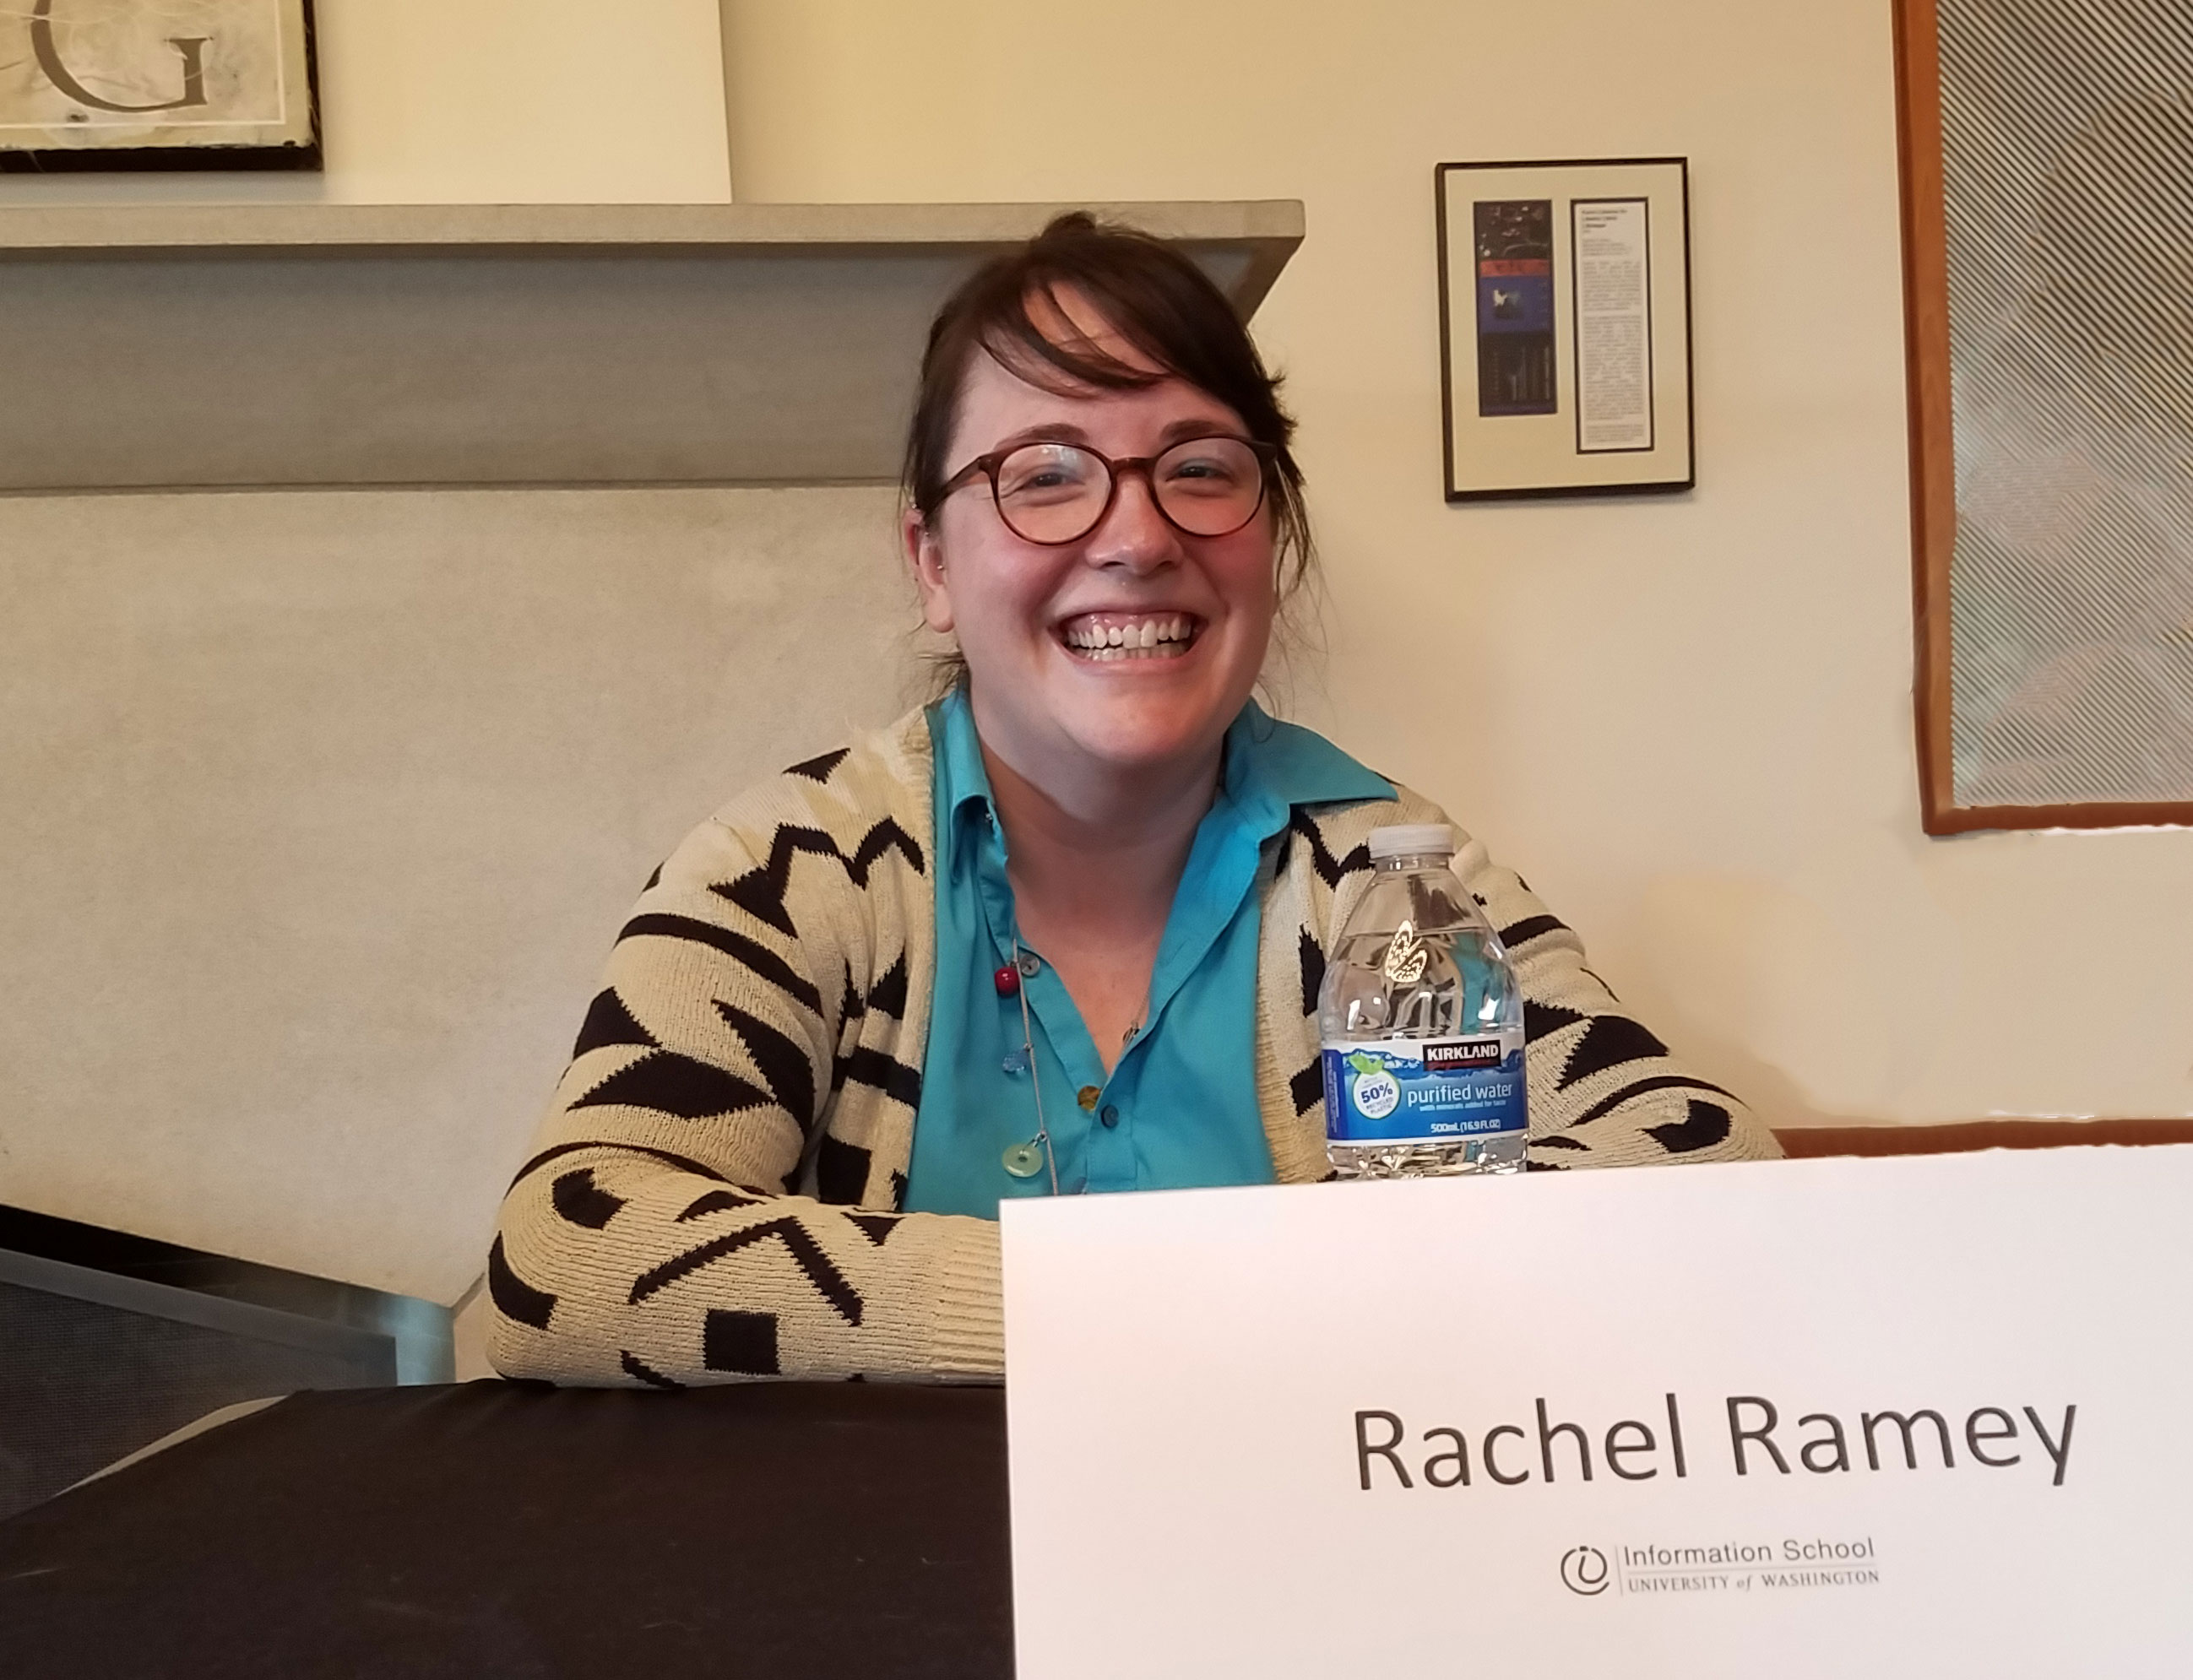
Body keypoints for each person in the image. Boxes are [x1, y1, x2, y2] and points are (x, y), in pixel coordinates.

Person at [486, 213, 1779, 1388]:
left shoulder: (1386, 874)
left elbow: (1706, 1171)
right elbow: (568, 1250)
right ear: (932, 562)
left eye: (1202, 468)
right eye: (1045, 474)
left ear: (1267, 536)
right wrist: (1145, 1296)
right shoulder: (795, 864)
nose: (1138, 534)